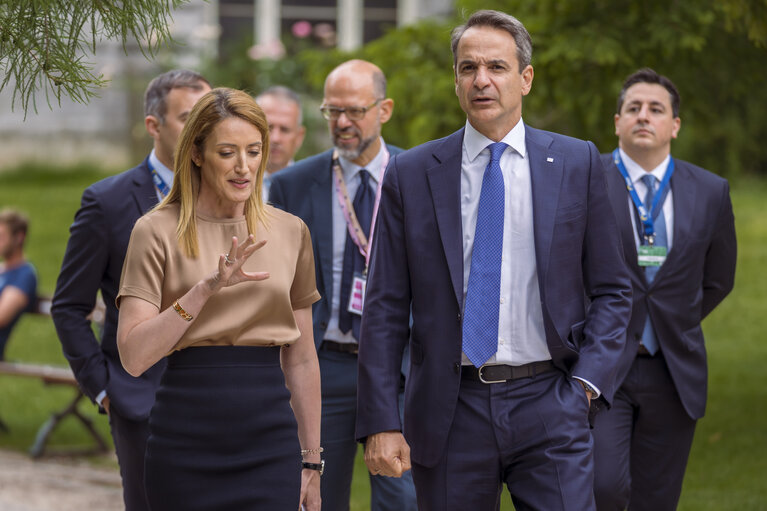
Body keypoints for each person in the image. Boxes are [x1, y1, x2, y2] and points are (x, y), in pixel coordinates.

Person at [355, 10, 633, 511]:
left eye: (497, 67)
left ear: (525, 78)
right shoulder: (412, 174)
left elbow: (614, 288)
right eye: (468, 68)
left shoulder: (576, 162)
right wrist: (381, 420)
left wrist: (587, 386)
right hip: (449, 409)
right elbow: (385, 308)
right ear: (456, 81)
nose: (481, 80)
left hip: (551, 399)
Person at [116, 87, 322, 510]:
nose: (244, 167)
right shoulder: (154, 231)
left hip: (270, 440)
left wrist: (312, 461)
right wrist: (205, 289)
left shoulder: (290, 231)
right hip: (185, 437)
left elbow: (301, 357)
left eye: (254, 151)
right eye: (227, 152)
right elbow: (134, 356)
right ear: (196, 152)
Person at [51, 69, 211, 510]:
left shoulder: (231, 197)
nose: (201, 130)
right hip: (143, 401)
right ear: (153, 126)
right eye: (187, 118)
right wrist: (106, 390)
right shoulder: (108, 202)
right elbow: (69, 307)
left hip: (224, 399)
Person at [270, 59, 418, 511]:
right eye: (332, 112)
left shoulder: (420, 178)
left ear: (385, 109)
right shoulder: (294, 184)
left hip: (398, 370)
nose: (342, 123)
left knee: (403, 499)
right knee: (316, 497)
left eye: (354, 111)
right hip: (324, 365)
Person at [593, 68, 737, 511]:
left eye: (656, 109)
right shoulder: (586, 178)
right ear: (617, 121)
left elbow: (718, 279)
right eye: (633, 108)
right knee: (604, 487)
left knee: (657, 498)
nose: (643, 116)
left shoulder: (711, 191)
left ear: (674, 125)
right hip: (602, 364)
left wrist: (674, 317)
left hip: (673, 368)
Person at [256, 85, 306, 199]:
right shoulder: (234, 184)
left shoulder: (313, 189)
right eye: (269, 128)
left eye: (285, 129)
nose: (275, 138)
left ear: (299, 136)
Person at [0, 209, 37, 360]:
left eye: (1, 237)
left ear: (19, 238)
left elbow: (2, 318)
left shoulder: (25, 275)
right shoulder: (3, 270)